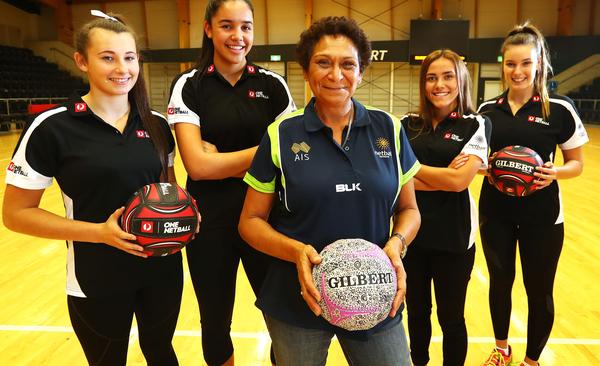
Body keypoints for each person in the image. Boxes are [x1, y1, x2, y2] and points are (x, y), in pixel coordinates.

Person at [238, 16, 421, 366]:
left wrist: (397, 245)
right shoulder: (281, 134)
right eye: (323, 62)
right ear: (307, 71)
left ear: (362, 71)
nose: (336, 75)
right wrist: (296, 252)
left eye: (348, 64)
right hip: (298, 298)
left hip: (374, 290)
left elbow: (409, 210)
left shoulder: (389, 128)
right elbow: (250, 221)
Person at [2, 11, 182, 366]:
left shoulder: (158, 124)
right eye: (108, 58)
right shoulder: (52, 128)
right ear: (81, 61)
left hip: (161, 270)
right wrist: (100, 233)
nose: (122, 68)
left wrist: (185, 217)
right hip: (95, 276)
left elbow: (170, 192)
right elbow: (16, 215)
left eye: (129, 58)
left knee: (162, 354)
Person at [166, 0, 295, 365]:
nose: (237, 36)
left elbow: (295, 155)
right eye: (227, 26)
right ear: (208, 28)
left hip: (269, 219)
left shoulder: (274, 85)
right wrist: (265, 153)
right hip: (210, 223)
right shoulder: (188, 85)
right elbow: (199, 167)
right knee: (215, 320)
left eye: (246, 27)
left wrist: (221, 159)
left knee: (283, 317)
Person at [477, 22, 588, 366]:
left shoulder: (558, 109)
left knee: (538, 289)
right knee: (500, 283)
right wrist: (485, 167)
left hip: (543, 216)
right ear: (503, 65)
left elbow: (576, 164)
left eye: (526, 63)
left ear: (539, 63)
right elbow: (476, 162)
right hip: (495, 211)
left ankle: (531, 360)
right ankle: (501, 349)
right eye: (511, 64)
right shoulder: (486, 112)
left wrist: (555, 172)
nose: (518, 71)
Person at [401, 49, 491, 366]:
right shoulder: (405, 124)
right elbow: (391, 179)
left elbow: (459, 183)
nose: (440, 84)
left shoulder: (476, 124)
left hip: (455, 238)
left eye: (448, 76)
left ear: (461, 79)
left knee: (451, 317)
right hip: (411, 235)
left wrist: (410, 171)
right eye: (431, 77)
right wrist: (443, 174)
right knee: (417, 313)